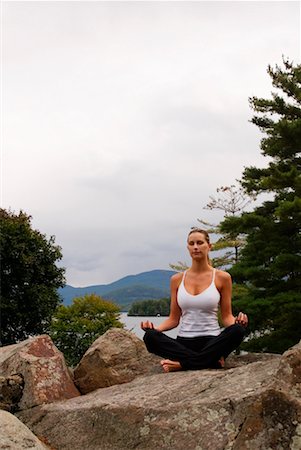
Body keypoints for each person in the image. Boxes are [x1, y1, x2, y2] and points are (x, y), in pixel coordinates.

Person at [141, 228, 248, 373]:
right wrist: (155, 329)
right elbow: (173, 319)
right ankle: (210, 361)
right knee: (150, 337)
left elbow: (226, 317)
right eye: (191, 244)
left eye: (200, 243)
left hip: (212, 342)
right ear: (188, 248)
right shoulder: (177, 280)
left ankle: (184, 364)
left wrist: (237, 324)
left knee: (237, 331)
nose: (196, 247)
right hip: (184, 343)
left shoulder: (222, 277)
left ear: (209, 246)